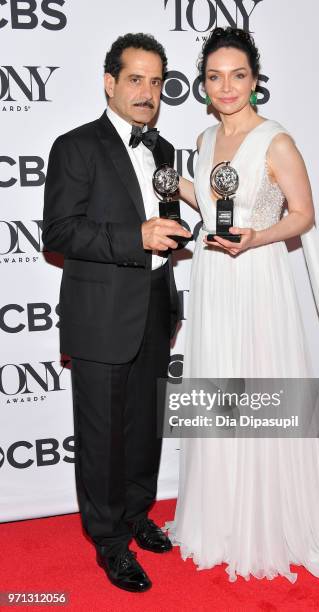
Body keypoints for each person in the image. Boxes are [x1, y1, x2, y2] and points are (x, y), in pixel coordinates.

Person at [171, 27, 319, 582]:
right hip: (216, 274)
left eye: (238, 75)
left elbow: (303, 214)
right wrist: (174, 183)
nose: (227, 86)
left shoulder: (277, 140)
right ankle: (222, 515)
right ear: (204, 85)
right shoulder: (200, 140)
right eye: (215, 77)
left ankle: (272, 516)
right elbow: (212, 198)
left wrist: (256, 238)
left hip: (257, 275)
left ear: (256, 80)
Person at [43, 33, 191, 593]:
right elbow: (58, 231)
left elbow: (165, 225)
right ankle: (109, 542)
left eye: (156, 82)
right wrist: (137, 236)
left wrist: (179, 234)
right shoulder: (75, 146)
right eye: (135, 79)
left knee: (143, 428)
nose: (147, 92)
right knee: (103, 434)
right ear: (110, 82)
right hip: (101, 312)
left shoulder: (164, 150)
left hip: (156, 306)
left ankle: (136, 516)